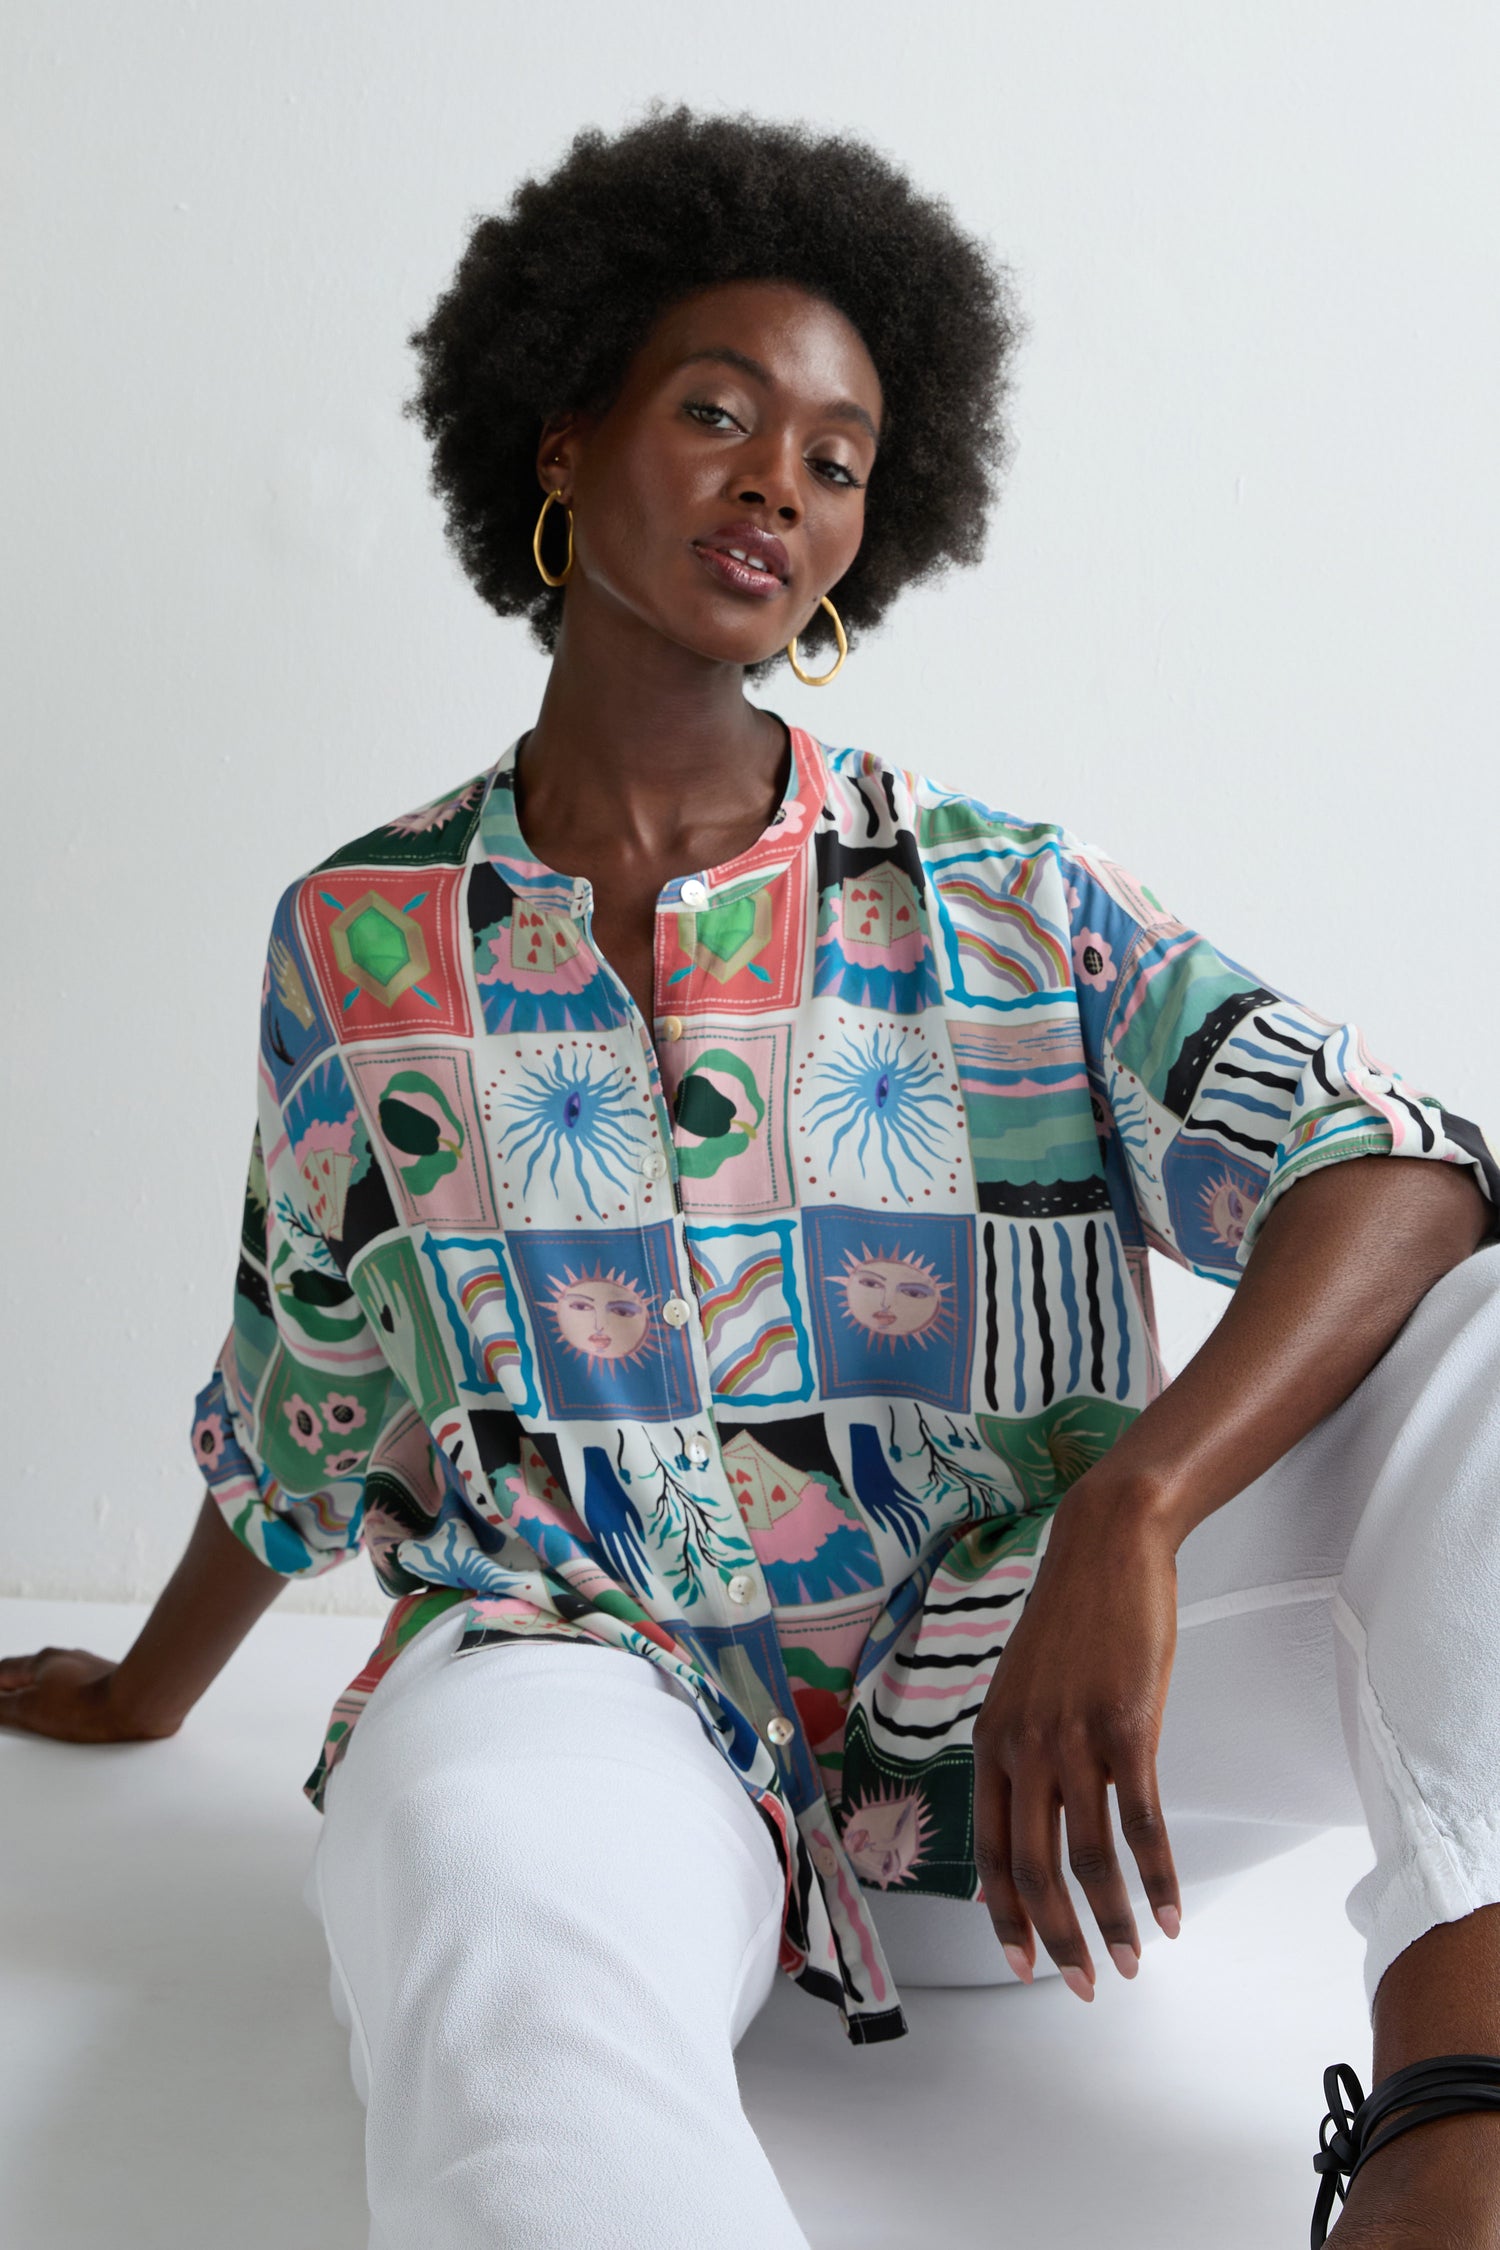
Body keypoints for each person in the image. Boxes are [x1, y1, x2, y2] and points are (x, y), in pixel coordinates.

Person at [3, 104, 1499, 2249]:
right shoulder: (362, 935)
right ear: (563, 434)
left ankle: (1461, 2137)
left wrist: (1135, 1500)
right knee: (491, 1946)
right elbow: (312, 1382)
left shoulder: (996, 892)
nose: (777, 484)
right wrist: (150, 1689)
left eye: (837, 455)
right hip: (592, 1693)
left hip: (1014, 1748)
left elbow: (1397, 1166)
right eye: (719, 411)